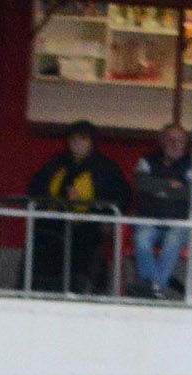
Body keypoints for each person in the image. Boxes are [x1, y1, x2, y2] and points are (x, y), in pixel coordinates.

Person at [27, 120, 130, 294]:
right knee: (41, 236)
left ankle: (81, 288)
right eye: (73, 140)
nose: (77, 145)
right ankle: (41, 287)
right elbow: (36, 188)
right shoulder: (57, 164)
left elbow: (120, 197)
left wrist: (86, 204)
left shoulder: (105, 168)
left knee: (84, 242)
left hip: (89, 222)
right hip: (55, 220)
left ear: (92, 143)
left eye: (83, 140)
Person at [131, 122, 192, 300]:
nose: (175, 144)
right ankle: (158, 286)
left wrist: (158, 188)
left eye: (180, 141)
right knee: (141, 238)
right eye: (170, 140)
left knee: (173, 239)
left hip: (180, 223)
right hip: (150, 220)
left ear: (186, 144)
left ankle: (153, 287)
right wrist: (171, 186)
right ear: (161, 141)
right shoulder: (146, 161)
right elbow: (142, 183)